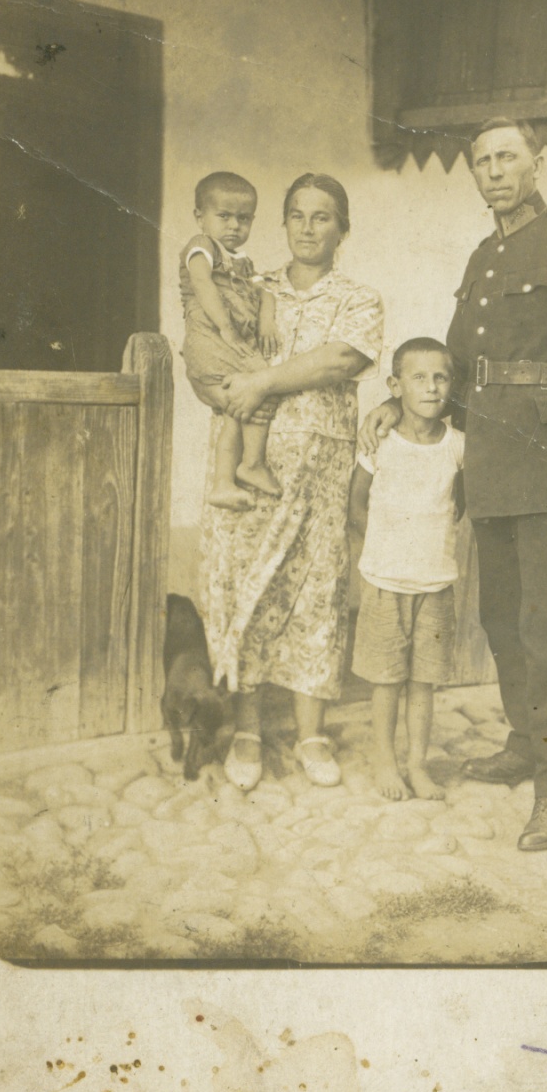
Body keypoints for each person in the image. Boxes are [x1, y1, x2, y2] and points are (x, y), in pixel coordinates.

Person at [360, 118, 547, 852]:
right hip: (485, 461)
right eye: (482, 161)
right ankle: (525, 741)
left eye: (507, 156)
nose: (493, 170)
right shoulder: (486, 256)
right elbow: (453, 361)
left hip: (546, 461)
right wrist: (401, 401)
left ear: (537, 162)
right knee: (501, 619)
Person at [201, 173, 383, 792]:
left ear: (343, 229)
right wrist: (236, 385)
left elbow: (339, 360)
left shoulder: (359, 298)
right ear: (283, 224)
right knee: (245, 589)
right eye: (298, 216)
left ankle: (310, 734)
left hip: (321, 473)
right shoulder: (250, 285)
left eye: (323, 217)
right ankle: (247, 731)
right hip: (249, 467)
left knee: (315, 597)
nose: (308, 228)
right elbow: (208, 334)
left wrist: (262, 382)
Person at [349, 337, 465, 802]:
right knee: (387, 680)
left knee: (424, 681)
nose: (432, 388)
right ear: (395, 386)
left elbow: (458, 506)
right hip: (385, 583)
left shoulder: (458, 446)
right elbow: (356, 505)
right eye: (419, 378)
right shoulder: (381, 443)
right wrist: (384, 553)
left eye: (441, 378)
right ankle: (385, 762)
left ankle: (417, 764)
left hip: (435, 585)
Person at [179, 171, 281, 507]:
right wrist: (224, 325)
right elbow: (202, 283)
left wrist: (266, 321)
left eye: (243, 218)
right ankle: (251, 464)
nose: (234, 226)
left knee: (238, 409)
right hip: (211, 341)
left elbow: (266, 289)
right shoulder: (202, 246)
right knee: (262, 384)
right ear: (200, 217)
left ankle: (224, 482)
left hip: (225, 344)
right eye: (223, 216)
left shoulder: (244, 262)